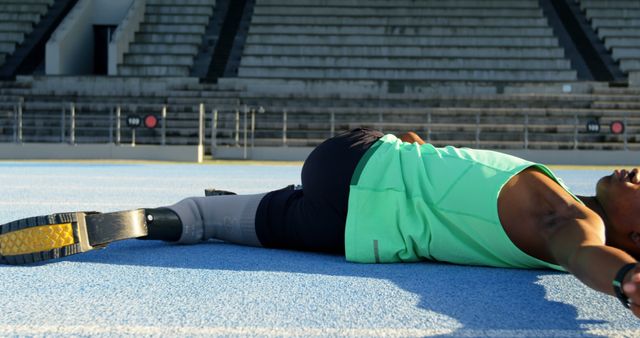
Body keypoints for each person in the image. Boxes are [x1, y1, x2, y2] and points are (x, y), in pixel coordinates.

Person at [1, 128, 640, 318]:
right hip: (357, 236)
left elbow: (588, 256)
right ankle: (158, 222)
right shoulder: (553, 230)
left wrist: (626, 282)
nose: (636, 173)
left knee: (214, 212)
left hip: (353, 162)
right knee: (212, 221)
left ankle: (165, 216)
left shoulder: (568, 219)